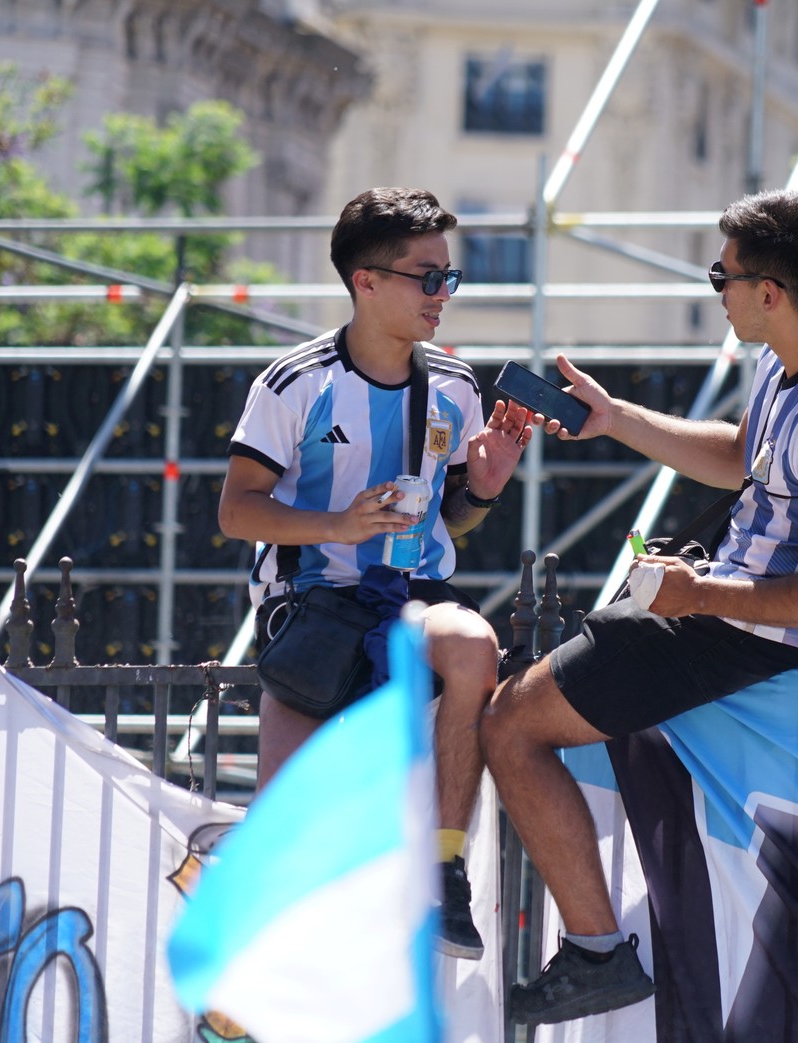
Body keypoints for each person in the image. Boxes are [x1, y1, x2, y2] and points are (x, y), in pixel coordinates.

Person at [482, 187, 798, 1026]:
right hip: (724, 616)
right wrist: (613, 418)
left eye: (723, 274)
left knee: (509, 723)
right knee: (542, 687)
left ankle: (598, 950)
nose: (715, 289)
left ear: (769, 294)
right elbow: (745, 458)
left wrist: (697, 592)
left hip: (753, 641)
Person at [218, 187, 531, 961]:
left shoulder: (455, 386)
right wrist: (336, 526)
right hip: (314, 608)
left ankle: (443, 868)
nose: (442, 295)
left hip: (411, 603)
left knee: (474, 644)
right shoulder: (293, 382)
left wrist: (482, 488)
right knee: (283, 868)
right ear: (366, 280)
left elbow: (448, 518)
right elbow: (236, 511)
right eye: (426, 277)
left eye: (448, 278)